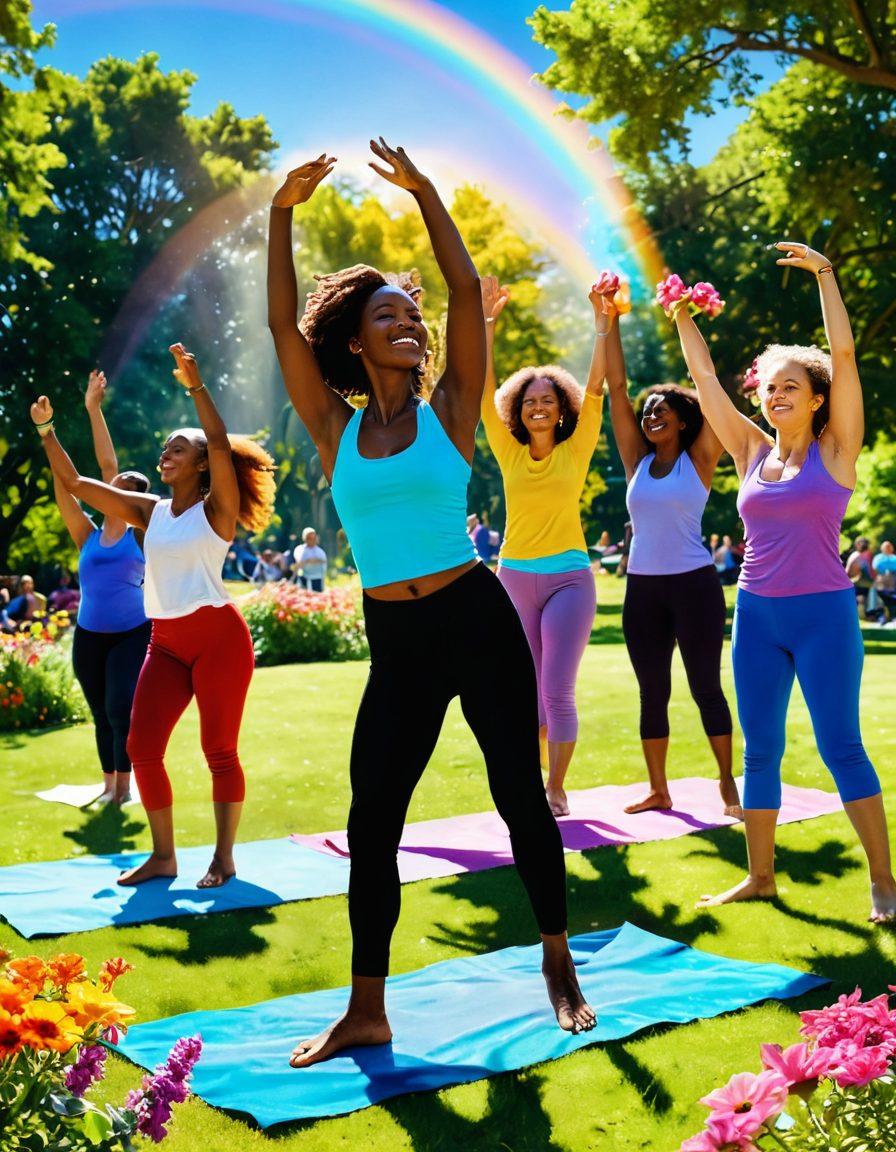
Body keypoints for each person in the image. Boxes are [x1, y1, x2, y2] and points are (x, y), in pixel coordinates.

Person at [268, 144, 593, 1067]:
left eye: (411, 315)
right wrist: (284, 212)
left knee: (516, 793)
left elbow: (461, 282)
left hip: (475, 620)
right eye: (387, 317)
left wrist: (426, 194)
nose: (409, 324)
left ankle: (558, 960)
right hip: (397, 639)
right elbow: (283, 329)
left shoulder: (452, 407)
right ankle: (367, 1007)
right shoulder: (335, 429)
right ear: (356, 342)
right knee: (373, 820)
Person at [672, 240, 896, 922]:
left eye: (789, 386)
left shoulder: (837, 449)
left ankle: (884, 881)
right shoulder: (748, 451)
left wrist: (825, 274)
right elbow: (706, 385)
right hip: (758, 616)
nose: (774, 396)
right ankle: (761, 876)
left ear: (817, 398)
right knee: (760, 746)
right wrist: (684, 315)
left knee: (840, 744)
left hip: (824, 615)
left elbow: (848, 357)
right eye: (769, 388)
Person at [31, 343, 276, 888]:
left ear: (201, 464)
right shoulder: (150, 512)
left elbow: (217, 438)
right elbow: (77, 487)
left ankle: (223, 858)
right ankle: (164, 857)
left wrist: (196, 386)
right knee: (142, 746)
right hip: (165, 642)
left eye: (177, 448)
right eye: (165, 447)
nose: (166, 452)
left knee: (218, 749)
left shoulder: (219, 510)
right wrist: (49, 433)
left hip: (218, 639)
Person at [479, 274, 609, 816]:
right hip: (514, 577)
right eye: (529, 401)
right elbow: (482, 395)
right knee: (524, 692)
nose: (538, 407)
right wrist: (487, 325)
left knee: (557, 687)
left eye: (547, 400)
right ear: (520, 409)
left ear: (561, 409)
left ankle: (556, 787)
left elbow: (598, 388)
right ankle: (532, 785)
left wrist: (602, 328)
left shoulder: (576, 449)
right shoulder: (509, 453)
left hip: (568, 580)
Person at [605, 321, 739, 819]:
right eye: (647, 412)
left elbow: (709, 387)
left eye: (661, 409)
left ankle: (728, 785)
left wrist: (687, 315)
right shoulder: (636, 461)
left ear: (684, 420)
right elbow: (617, 390)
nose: (650, 414)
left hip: (694, 587)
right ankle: (659, 790)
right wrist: (611, 320)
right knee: (652, 691)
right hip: (643, 591)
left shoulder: (701, 457)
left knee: (706, 686)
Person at [48, 369, 152, 805]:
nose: (113, 483)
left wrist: (93, 409)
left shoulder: (141, 530)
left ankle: (125, 789)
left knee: (119, 708)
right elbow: (65, 489)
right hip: (89, 635)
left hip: (132, 633)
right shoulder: (87, 535)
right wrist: (47, 435)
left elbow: (107, 464)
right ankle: (109, 786)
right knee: (99, 713)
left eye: (122, 484)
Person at [845, 536, 879, 620]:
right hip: (861, 583)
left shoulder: (859, 555)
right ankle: (866, 614)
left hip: (863, 583)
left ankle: (866, 614)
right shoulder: (860, 555)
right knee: (862, 598)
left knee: (863, 598)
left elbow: (847, 572)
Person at [293, 527, 327, 591]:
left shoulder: (321, 551)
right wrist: (308, 561)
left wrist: (314, 561)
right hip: (303, 578)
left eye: (314, 538)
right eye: (309, 538)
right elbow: (299, 564)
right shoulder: (299, 549)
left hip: (317, 579)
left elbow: (324, 563)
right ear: (304, 538)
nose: (312, 540)